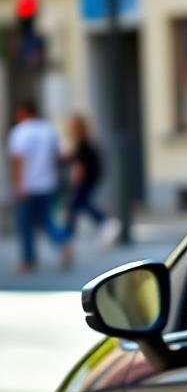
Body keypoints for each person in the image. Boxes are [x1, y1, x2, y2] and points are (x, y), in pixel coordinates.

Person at [7, 100, 68, 273]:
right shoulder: (48, 130)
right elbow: (60, 155)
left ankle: (28, 261)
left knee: (24, 224)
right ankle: (63, 242)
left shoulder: (20, 132)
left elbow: (18, 160)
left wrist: (18, 184)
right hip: (47, 184)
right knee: (46, 220)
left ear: (24, 112)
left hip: (28, 185)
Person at [62, 113, 121, 251]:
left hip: (85, 181)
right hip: (90, 180)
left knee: (75, 208)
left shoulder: (82, 144)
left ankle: (67, 241)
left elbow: (80, 167)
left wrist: (76, 182)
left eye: (71, 126)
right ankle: (106, 224)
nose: (69, 128)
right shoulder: (85, 143)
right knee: (79, 207)